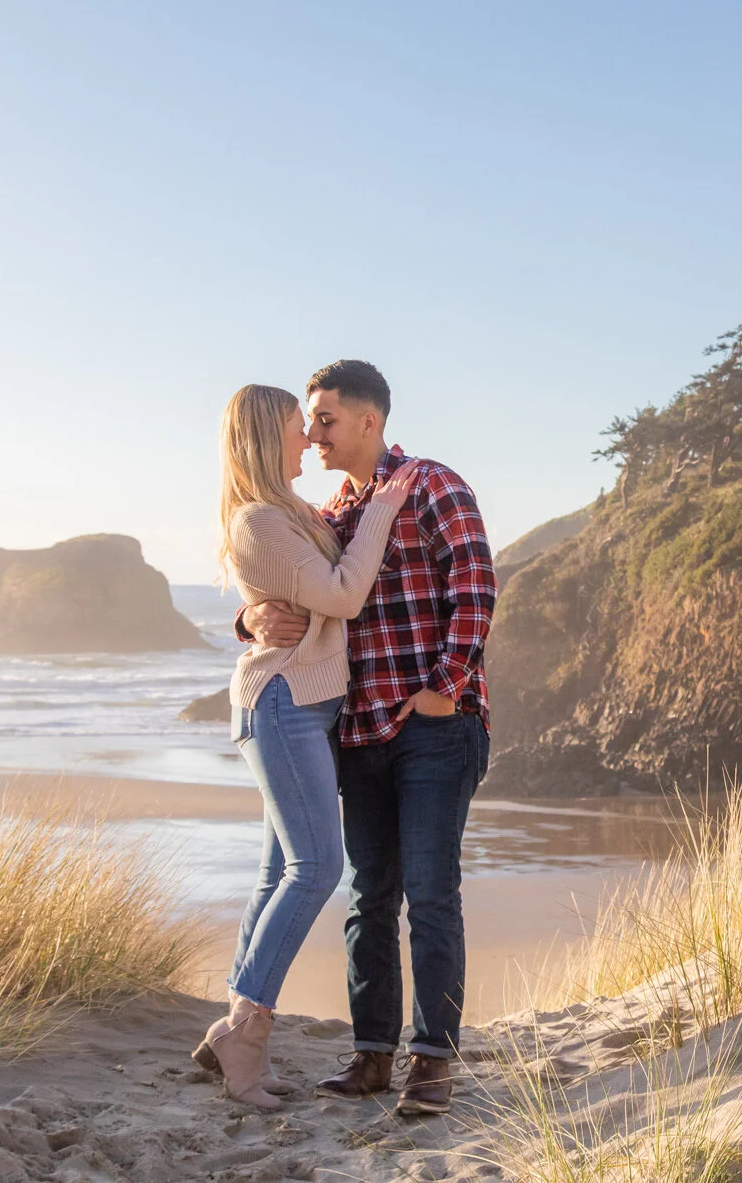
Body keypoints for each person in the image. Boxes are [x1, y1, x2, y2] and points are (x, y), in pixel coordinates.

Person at [239, 359, 497, 1117]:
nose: (310, 433)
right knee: (368, 896)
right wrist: (247, 620)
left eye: (323, 419)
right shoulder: (330, 513)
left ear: (367, 421)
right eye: (307, 421)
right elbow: (292, 590)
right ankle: (372, 1055)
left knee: (430, 892)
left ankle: (432, 1061)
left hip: (431, 730)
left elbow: (475, 587)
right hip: (357, 730)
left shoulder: (432, 484)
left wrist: (443, 691)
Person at [195, 383, 415, 1110]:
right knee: (316, 866)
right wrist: (382, 506)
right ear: (266, 438)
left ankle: (231, 1026)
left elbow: (295, 589)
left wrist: (247, 615)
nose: (310, 439)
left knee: (274, 874)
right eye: (298, 427)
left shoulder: (290, 513)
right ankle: (247, 1035)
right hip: (284, 705)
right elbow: (344, 595)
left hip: (306, 705)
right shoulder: (260, 519)